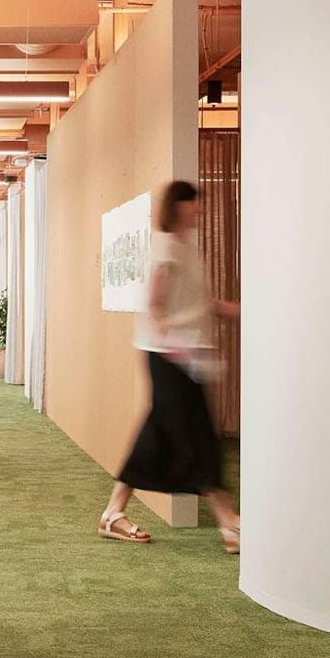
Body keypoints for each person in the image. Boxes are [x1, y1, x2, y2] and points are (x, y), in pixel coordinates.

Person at [98, 181, 242, 553]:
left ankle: (113, 513)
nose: (199, 211)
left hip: (187, 355)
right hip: (169, 356)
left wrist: (237, 310)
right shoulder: (164, 247)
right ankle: (229, 522)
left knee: (162, 433)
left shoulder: (187, 248)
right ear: (178, 206)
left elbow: (200, 302)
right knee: (195, 433)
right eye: (194, 204)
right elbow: (155, 303)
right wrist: (171, 341)